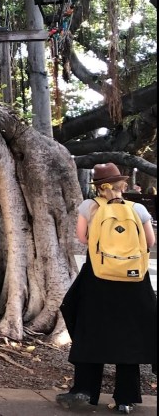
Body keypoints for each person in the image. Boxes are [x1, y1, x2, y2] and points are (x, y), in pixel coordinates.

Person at [57, 163, 156, 414]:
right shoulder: (138, 209)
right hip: (133, 280)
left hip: (98, 277)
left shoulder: (89, 207)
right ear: (122, 184)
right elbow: (150, 242)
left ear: (98, 186)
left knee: (91, 332)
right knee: (129, 336)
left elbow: (82, 238)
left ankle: (85, 390)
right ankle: (125, 398)